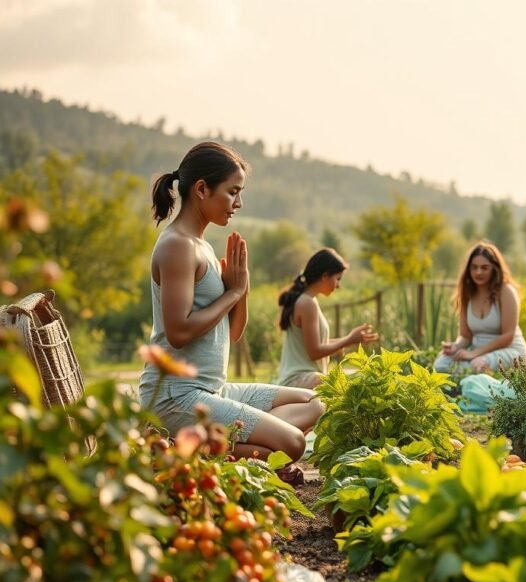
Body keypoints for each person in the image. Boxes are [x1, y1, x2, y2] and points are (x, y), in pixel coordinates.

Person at [138, 142, 324, 480]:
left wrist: (243, 289)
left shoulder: (203, 247)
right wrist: (233, 292)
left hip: (213, 389)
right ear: (201, 189)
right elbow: (178, 332)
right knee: (294, 444)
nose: (238, 203)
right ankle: (184, 445)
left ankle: (228, 450)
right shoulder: (177, 245)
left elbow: (233, 333)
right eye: (232, 192)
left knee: (316, 401)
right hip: (177, 396)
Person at [275, 248, 379, 388]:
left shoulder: (307, 300)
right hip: (299, 380)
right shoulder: (307, 303)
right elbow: (314, 351)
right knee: (352, 382)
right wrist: (348, 339)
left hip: (304, 379)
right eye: (337, 279)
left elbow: (313, 344)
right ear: (324, 276)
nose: (338, 285)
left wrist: (349, 340)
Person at [434, 242, 526, 374]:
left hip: (510, 350)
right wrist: (455, 347)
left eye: (485, 268)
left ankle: (464, 385)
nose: (479, 272)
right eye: (474, 267)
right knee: (441, 363)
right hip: (476, 354)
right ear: (469, 270)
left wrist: (473, 354)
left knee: (476, 365)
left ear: (494, 269)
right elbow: (465, 336)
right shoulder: (467, 294)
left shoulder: (506, 291)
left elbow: (508, 336)